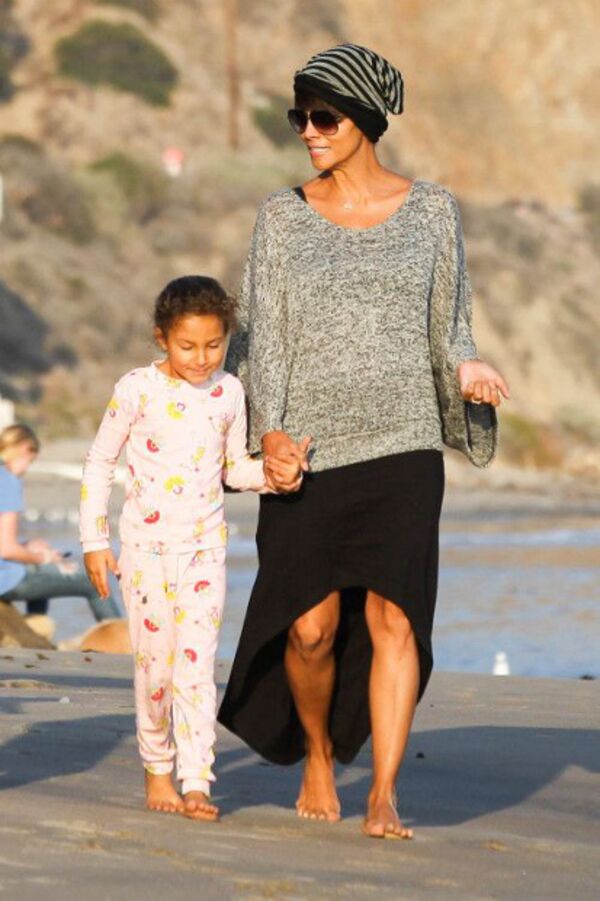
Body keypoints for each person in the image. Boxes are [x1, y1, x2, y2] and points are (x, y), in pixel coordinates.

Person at [218, 43, 510, 839]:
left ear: (366, 121)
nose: (308, 132)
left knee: (395, 618)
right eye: (300, 117)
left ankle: (383, 791)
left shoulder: (433, 210)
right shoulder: (281, 216)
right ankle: (318, 752)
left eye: (324, 117)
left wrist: (468, 364)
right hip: (310, 448)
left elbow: (450, 322)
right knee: (309, 629)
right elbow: (263, 336)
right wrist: (269, 433)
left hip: (404, 441)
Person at [79, 275, 304, 821]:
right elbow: (100, 462)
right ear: (162, 338)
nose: (201, 358)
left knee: (197, 669)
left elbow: (233, 469)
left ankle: (198, 779)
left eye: (213, 345)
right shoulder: (136, 389)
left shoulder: (229, 393)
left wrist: (275, 477)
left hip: (205, 551)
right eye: (187, 346)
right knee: (156, 670)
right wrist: (94, 540)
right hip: (145, 552)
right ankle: (158, 768)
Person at [0, 424, 121, 626]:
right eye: (30, 460)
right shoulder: (8, 480)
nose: (27, 468)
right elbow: (6, 550)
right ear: (24, 449)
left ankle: (35, 631)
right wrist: (46, 557)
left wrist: (27, 546)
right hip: (6, 579)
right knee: (93, 581)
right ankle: (118, 637)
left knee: (40, 563)